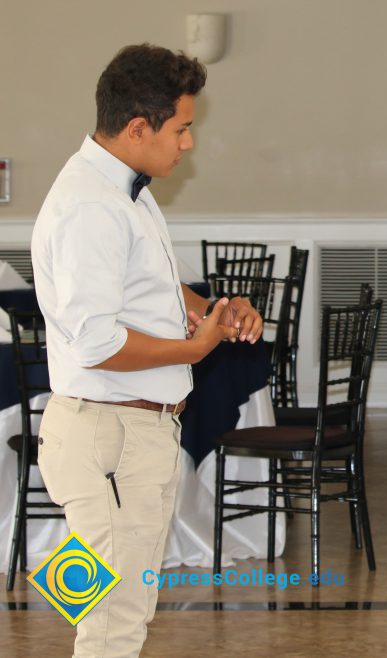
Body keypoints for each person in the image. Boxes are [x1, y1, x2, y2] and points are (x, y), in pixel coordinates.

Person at [31, 44, 263, 657]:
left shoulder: (124, 188)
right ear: (138, 128)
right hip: (109, 438)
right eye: (182, 128)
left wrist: (208, 309)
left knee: (118, 616)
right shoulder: (91, 205)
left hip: (130, 434)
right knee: (113, 624)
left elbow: (150, 285)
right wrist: (195, 348)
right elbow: (97, 343)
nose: (187, 143)